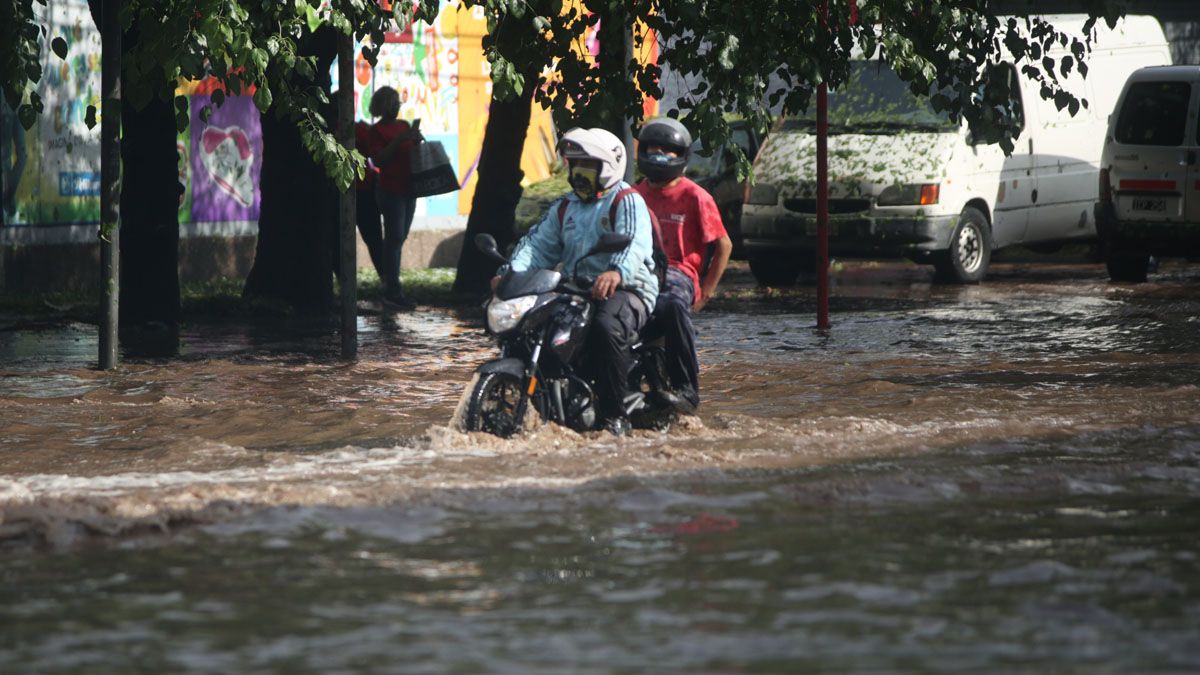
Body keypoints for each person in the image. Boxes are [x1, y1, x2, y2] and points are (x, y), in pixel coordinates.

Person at [493, 127, 659, 436]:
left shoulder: (626, 199)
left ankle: (614, 415)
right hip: (577, 288)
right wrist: (509, 275)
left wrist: (616, 272)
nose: (579, 173)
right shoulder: (565, 206)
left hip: (629, 287)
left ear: (608, 168)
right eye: (575, 165)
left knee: (605, 327)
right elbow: (536, 247)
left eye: (588, 166)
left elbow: (635, 242)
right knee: (534, 326)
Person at [634, 117, 733, 413]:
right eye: (653, 150)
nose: (659, 157)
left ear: (681, 156)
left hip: (679, 274)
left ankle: (687, 390)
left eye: (667, 152)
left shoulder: (696, 196)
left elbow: (723, 245)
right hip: (637, 270)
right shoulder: (635, 194)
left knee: (674, 306)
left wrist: (706, 292)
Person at [364, 86, 422, 309]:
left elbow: (411, 151)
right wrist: (400, 140)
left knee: (399, 238)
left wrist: (415, 139)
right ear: (384, 106)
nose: (398, 106)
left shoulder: (404, 126)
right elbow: (378, 160)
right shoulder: (376, 131)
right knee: (394, 239)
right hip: (391, 190)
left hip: (410, 189)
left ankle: (392, 287)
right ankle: (392, 290)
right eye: (394, 102)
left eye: (398, 102)